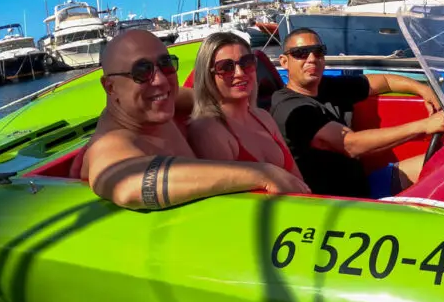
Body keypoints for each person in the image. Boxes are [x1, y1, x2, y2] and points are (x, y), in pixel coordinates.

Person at [81, 29, 307, 210]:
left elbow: (206, 96)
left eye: (166, 64)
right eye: (141, 71)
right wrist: (261, 173)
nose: (160, 80)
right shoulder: (110, 142)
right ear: (110, 87)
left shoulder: (154, 103)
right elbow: (127, 185)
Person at [270, 28, 444, 197]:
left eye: (318, 52)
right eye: (301, 53)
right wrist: (424, 126)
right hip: (338, 204)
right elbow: (351, 145)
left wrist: (424, 90)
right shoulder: (291, 108)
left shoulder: (328, 87)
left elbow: (386, 81)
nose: (311, 59)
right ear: (284, 61)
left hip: (364, 186)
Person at [187, 32, 306, 183]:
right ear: (208, 75)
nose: (240, 73)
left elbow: (298, 180)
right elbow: (232, 199)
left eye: (247, 62)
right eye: (225, 67)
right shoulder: (208, 130)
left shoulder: (263, 117)